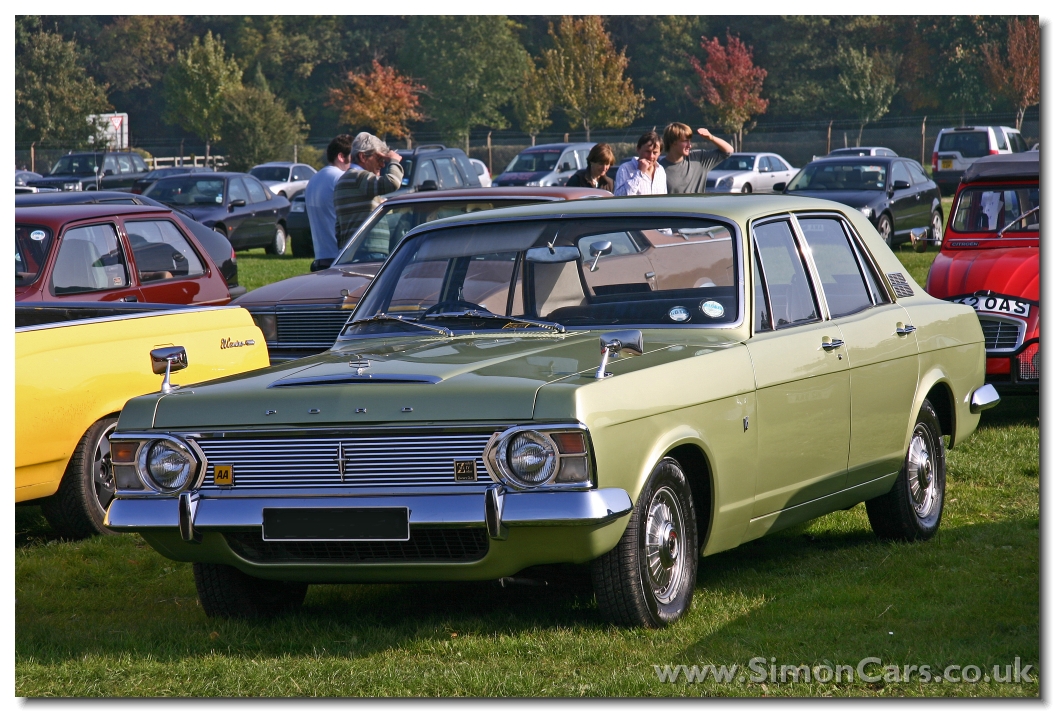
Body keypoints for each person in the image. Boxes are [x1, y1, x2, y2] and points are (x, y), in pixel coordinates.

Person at [333, 132, 404, 248]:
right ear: (363, 156)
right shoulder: (359, 177)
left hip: (354, 250)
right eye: (379, 158)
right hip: (367, 249)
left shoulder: (345, 180)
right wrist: (394, 161)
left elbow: (339, 226)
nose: (382, 165)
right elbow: (392, 182)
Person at [304, 134, 352, 261]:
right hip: (340, 257)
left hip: (320, 256)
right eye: (352, 157)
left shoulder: (314, 179)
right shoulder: (340, 178)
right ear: (341, 156)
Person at [659, 123, 734, 194]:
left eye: (690, 141)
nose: (689, 145)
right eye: (685, 141)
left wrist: (711, 137)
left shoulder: (698, 158)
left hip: (698, 208)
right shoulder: (658, 168)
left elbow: (728, 151)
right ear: (672, 142)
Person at [613, 131, 667, 196]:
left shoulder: (660, 170)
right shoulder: (625, 169)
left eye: (655, 152)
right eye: (647, 151)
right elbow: (620, 197)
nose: (651, 156)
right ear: (638, 149)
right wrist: (639, 172)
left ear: (660, 153)